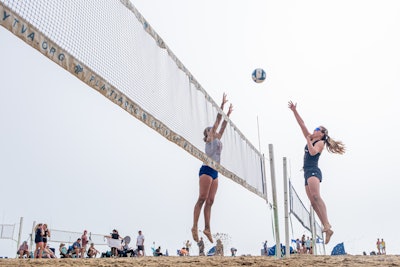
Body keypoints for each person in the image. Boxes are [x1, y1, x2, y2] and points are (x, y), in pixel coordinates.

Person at [288, 101, 345, 244]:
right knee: (313, 203)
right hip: (306, 172)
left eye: (317, 129)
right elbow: (302, 124)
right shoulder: (310, 137)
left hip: (313, 170)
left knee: (316, 196)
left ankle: (327, 224)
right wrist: (294, 111)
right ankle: (327, 228)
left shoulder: (319, 143)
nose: (314, 130)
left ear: (322, 133)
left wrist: (308, 140)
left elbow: (313, 153)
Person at [192, 93, 233, 243]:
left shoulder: (217, 137)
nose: (213, 130)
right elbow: (217, 122)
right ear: (208, 133)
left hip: (215, 172)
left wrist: (227, 114)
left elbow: (222, 126)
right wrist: (221, 107)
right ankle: (195, 227)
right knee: (202, 198)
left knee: (210, 201)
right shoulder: (210, 139)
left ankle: (207, 228)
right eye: (211, 129)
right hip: (206, 169)